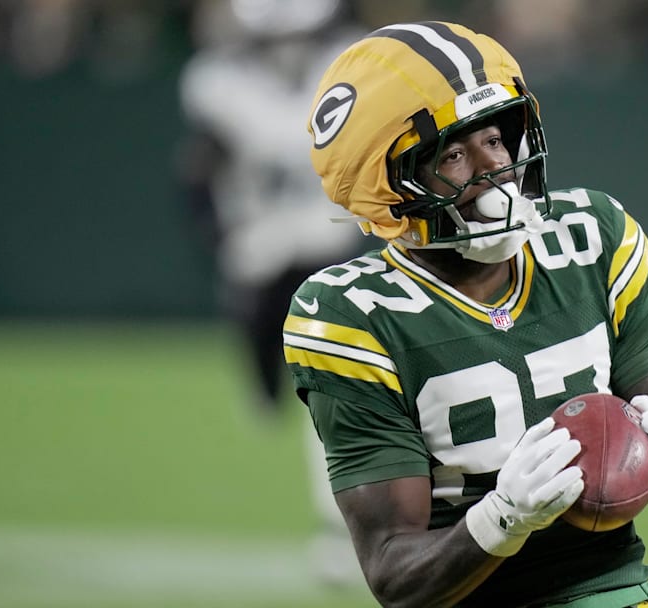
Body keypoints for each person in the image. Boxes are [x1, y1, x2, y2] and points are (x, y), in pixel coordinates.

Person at [283, 20, 648, 607]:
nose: (493, 169)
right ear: (387, 187)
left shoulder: (593, 239)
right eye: (453, 154)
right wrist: (499, 519)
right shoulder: (354, 315)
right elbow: (396, 578)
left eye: (494, 140)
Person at [177, 0, 367, 586]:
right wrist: (225, 240)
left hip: (336, 248)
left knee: (334, 391)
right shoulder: (219, 85)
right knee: (268, 400)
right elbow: (197, 175)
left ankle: (345, 530)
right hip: (261, 253)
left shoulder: (352, 67)